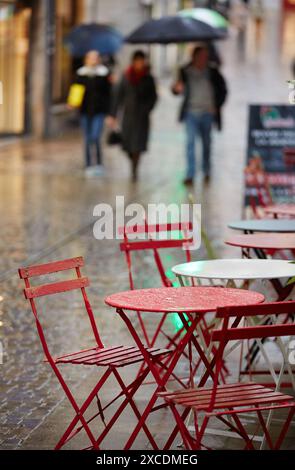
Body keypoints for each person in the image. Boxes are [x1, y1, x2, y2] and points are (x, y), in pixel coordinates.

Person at [172, 45, 227, 186]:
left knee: (206, 143)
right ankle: (190, 173)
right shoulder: (185, 71)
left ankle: (206, 171)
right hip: (191, 112)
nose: (203, 59)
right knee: (190, 143)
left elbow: (223, 90)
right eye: (201, 56)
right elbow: (176, 90)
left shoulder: (213, 72)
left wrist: (216, 106)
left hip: (207, 112)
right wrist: (176, 88)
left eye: (205, 56)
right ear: (194, 57)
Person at [109, 50, 157, 182]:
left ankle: (135, 168)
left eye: (142, 61)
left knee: (138, 145)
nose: (139, 64)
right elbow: (118, 96)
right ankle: (132, 159)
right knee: (127, 144)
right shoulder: (126, 76)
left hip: (142, 117)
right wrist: (113, 115)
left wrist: (147, 108)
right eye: (137, 61)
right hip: (128, 116)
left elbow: (153, 97)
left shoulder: (148, 78)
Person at [75, 50, 112, 176]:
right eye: (91, 58)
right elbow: (76, 91)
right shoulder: (81, 74)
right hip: (85, 111)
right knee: (87, 138)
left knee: (95, 136)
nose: (93, 60)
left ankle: (99, 163)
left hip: (99, 111)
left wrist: (109, 113)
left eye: (95, 58)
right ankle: (88, 164)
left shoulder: (103, 74)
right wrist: (73, 102)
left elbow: (108, 94)